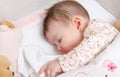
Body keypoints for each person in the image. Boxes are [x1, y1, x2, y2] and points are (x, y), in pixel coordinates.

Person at [39, 1, 119, 77]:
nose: (58, 48)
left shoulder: (97, 28)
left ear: (77, 24)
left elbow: (87, 49)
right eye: (55, 45)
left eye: (59, 40)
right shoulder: (81, 57)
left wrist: (61, 63)